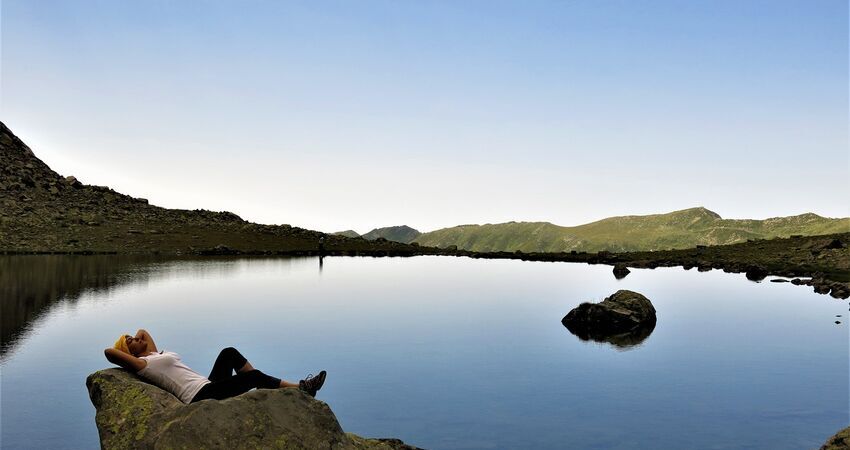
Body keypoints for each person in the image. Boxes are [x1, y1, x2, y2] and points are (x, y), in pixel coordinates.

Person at [104, 329, 326, 404]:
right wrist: (125, 349)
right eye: (130, 340)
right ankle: (300, 388)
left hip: (207, 384)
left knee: (228, 352)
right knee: (254, 375)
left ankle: (261, 385)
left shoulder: (152, 354)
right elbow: (109, 352)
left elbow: (143, 330)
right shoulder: (143, 365)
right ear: (129, 352)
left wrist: (134, 343)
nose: (136, 336)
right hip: (199, 396)